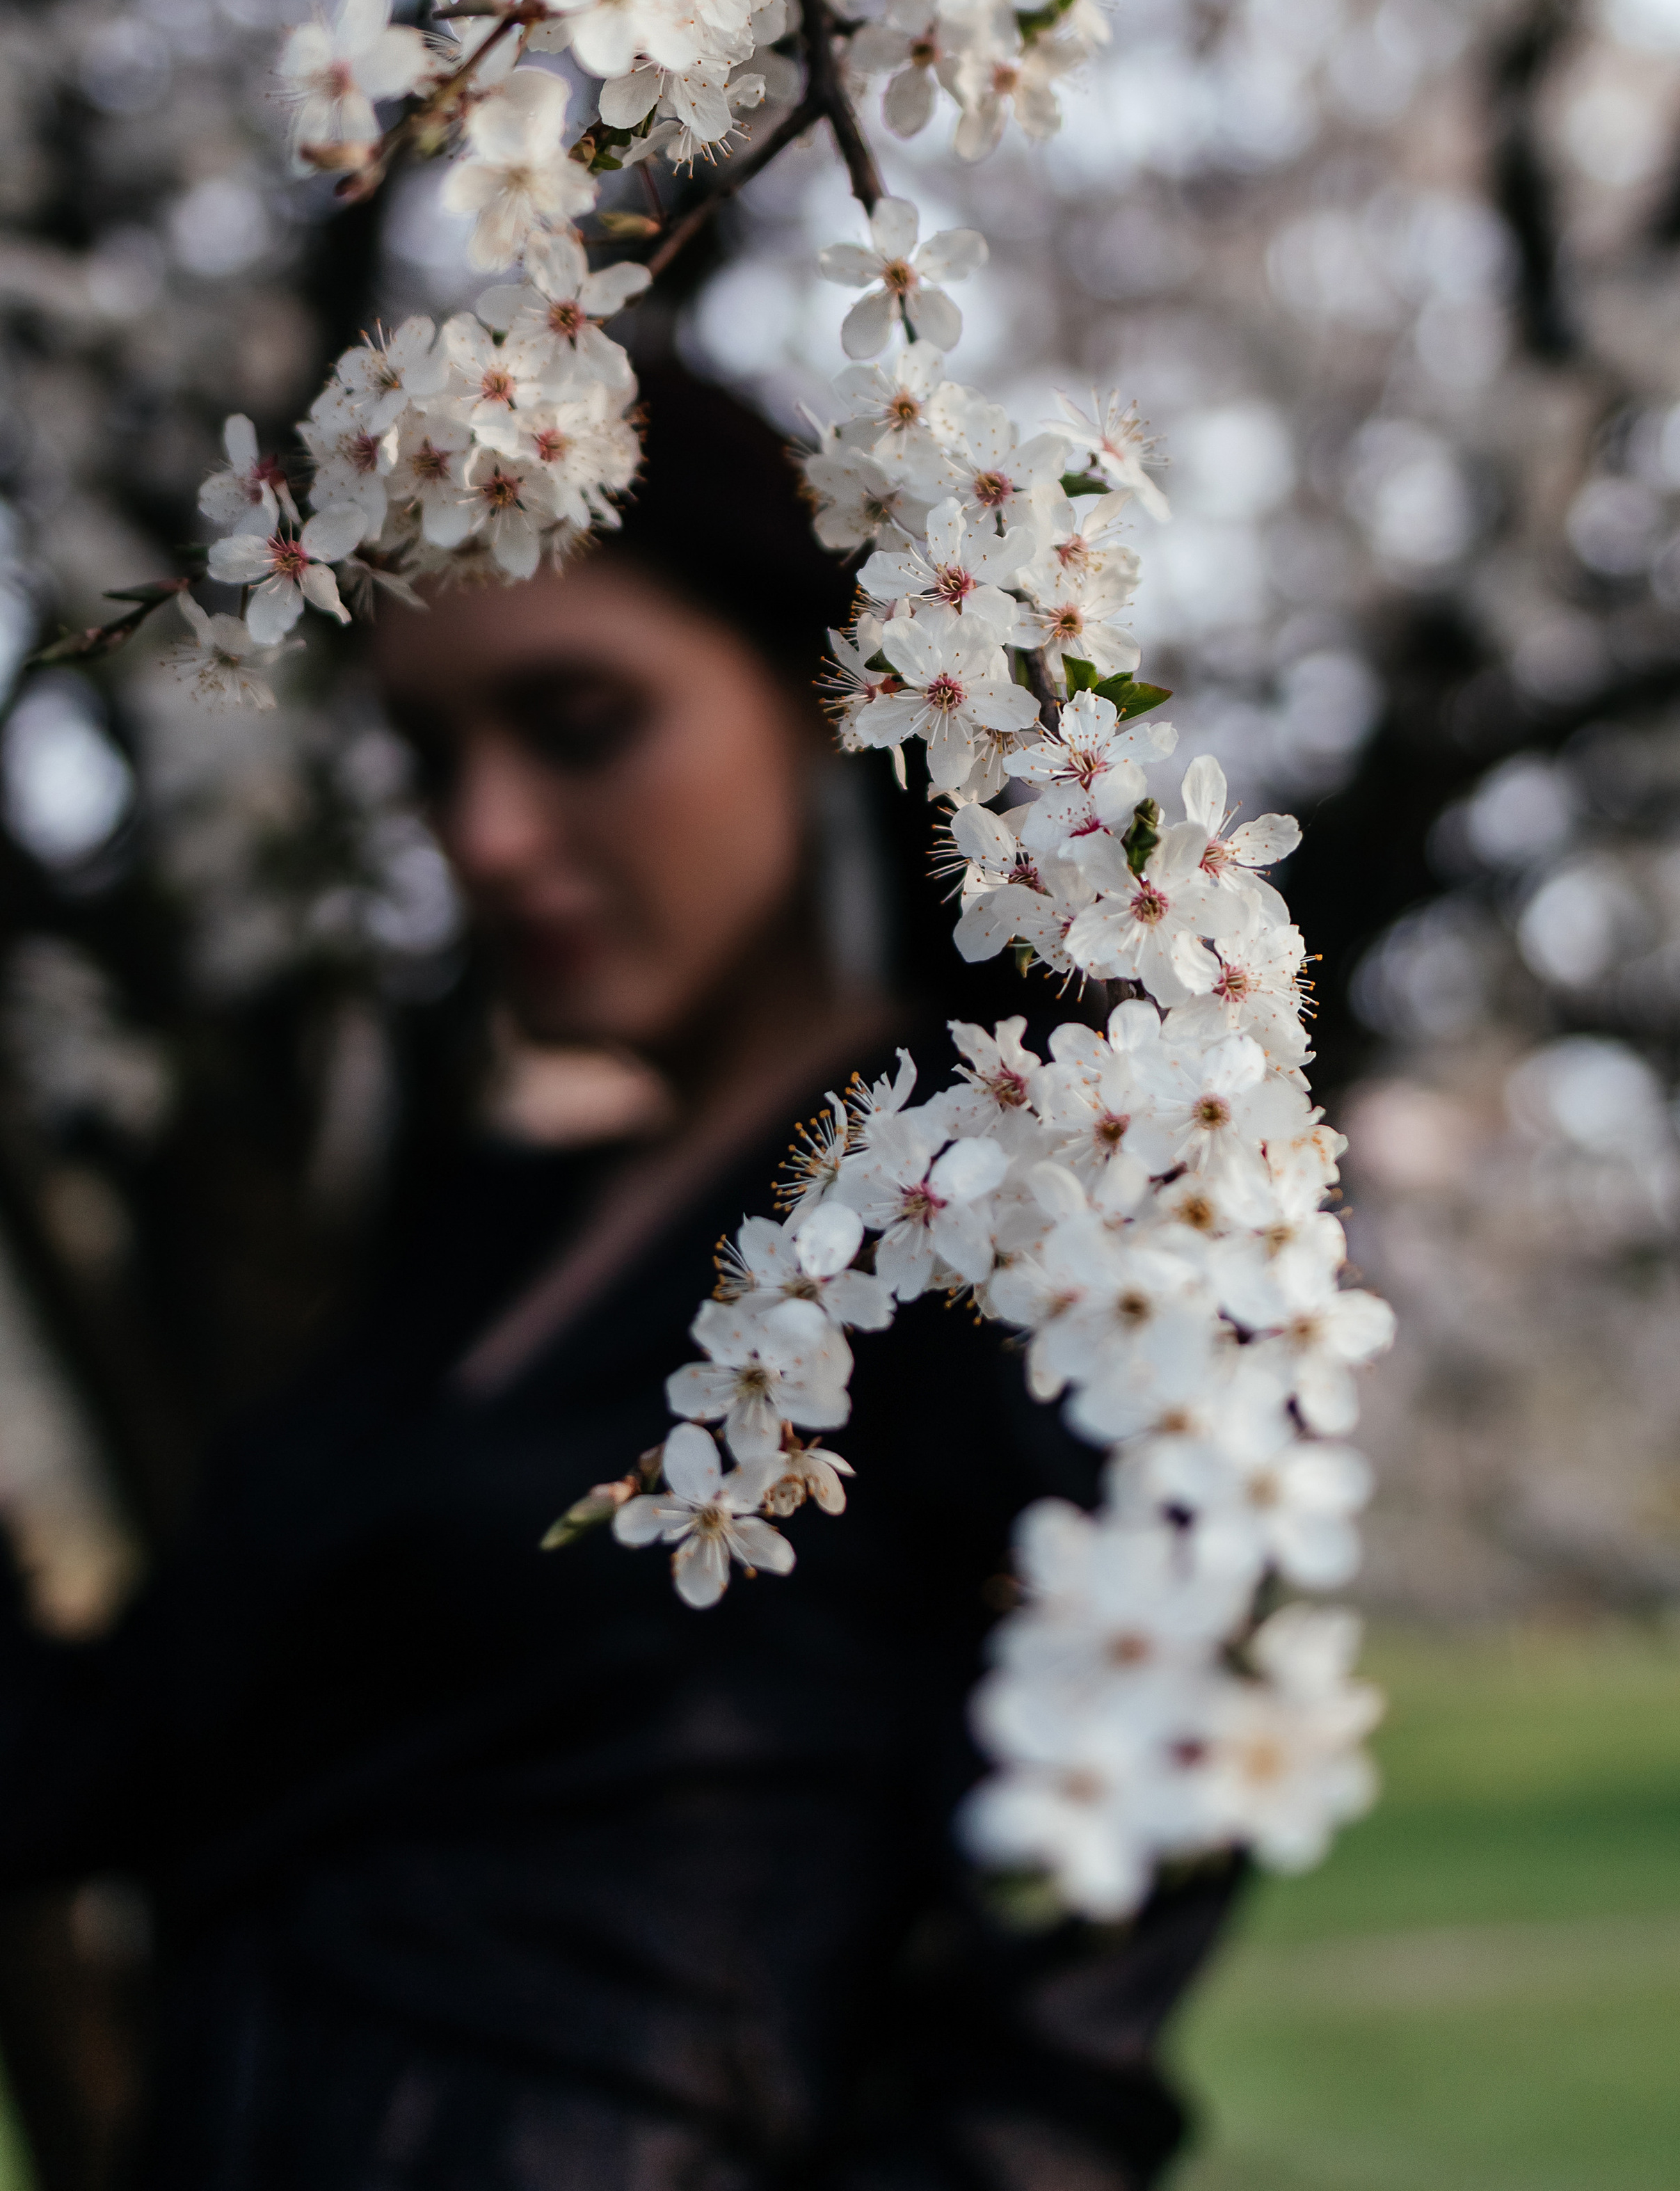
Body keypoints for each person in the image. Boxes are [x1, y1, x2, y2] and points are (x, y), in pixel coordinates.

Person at [0, 369, 1239, 2191]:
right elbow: (100, 1764)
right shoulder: (473, 1228)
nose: (482, 835)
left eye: (578, 722)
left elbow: (1058, 2033)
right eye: (432, 759)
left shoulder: (1000, 1217)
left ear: (839, 702)